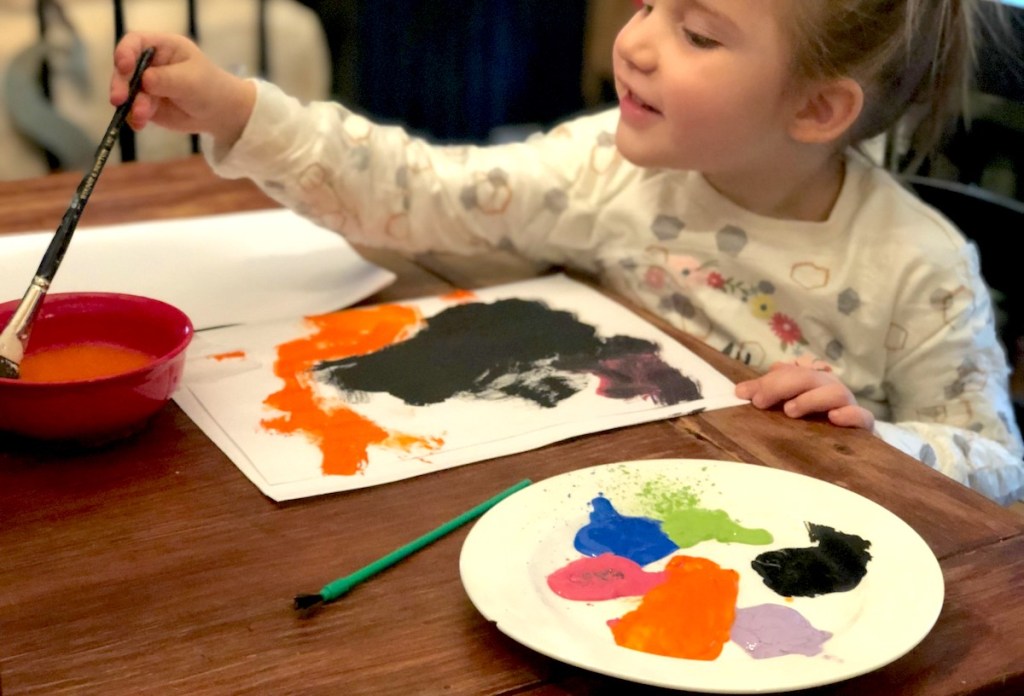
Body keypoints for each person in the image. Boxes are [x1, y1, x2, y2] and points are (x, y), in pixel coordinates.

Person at [109, 0, 1024, 505]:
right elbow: (423, 198)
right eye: (648, 4)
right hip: (593, 507)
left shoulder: (921, 269)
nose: (635, 43)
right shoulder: (604, 168)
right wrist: (239, 112)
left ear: (817, 110)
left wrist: (879, 441)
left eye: (697, 34)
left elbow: (1000, 466)